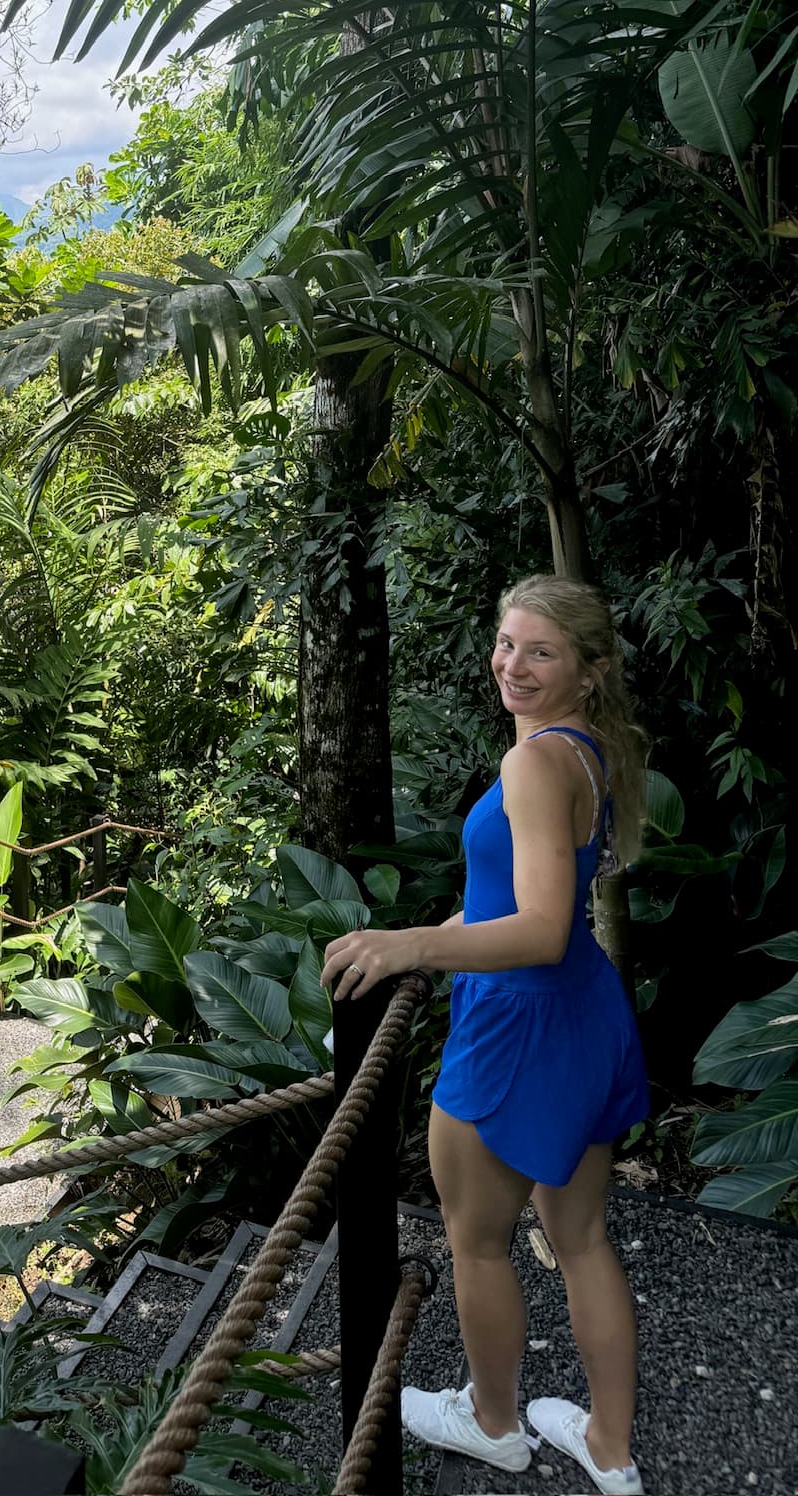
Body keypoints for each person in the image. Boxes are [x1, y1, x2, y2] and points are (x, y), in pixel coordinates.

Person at [320, 574, 651, 1496]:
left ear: (586, 671)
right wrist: (463, 922)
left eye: (540, 651)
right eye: (506, 643)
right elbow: (531, 893)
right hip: (586, 1014)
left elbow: (541, 927)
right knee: (581, 1238)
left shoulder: (533, 763)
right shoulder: (586, 751)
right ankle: (610, 1450)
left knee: (476, 1241)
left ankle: (495, 1423)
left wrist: (412, 944)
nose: (512, 664)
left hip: (520, 1025)